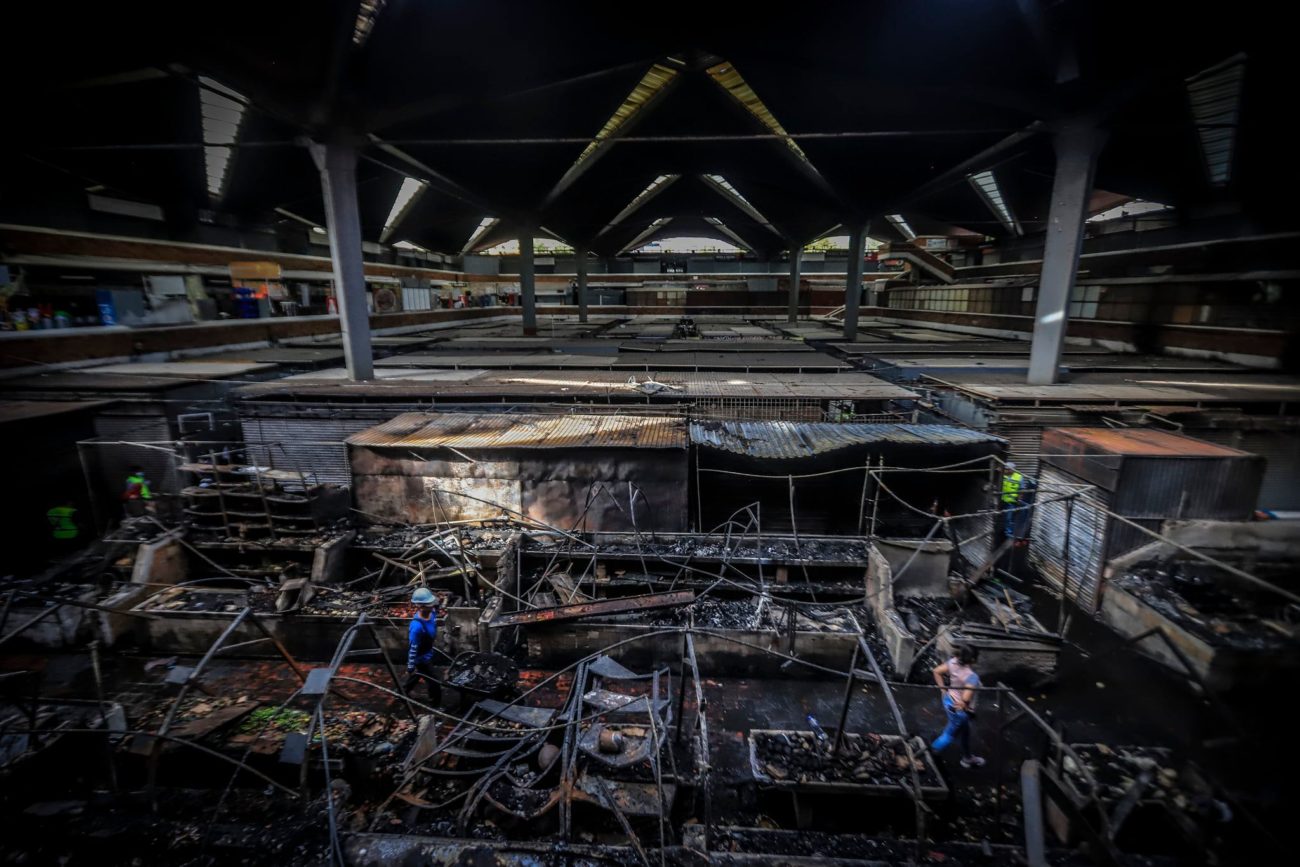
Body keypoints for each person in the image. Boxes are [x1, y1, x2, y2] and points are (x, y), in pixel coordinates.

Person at [930, 645, 985, 768]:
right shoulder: (972, 677)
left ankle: (967, 758)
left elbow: (936, 671)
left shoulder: (953, 662)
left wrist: (943, 689)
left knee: (965, 732)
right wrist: (965, 705)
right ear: (973, 660)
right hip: (959, 710)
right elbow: (966, 698)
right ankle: (929, 752)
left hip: (948, 700)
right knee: (949, 735)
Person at [405, 587, 443, 707]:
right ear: (420, 606)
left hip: (428, 652)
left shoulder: (431, 614)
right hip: (421, 658)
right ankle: (435, 706)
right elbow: (413, 647)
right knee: (435, 683)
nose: (432, 606)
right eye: (428, 604)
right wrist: (410, 666)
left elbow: (437, 606)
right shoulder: (416, 627)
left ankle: (403, 691)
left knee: (419, 674)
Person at [1000, 462, 1023, 538]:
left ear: (1012, 470)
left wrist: (1019, 501)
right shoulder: (1003, 475)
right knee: (1001, 516)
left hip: (1011, 502)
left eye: (1007, 470)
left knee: (1008, 518)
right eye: (1005, 469)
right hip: (1002, 500)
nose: (1005, 471)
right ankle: (1002, 530)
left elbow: (1021, 490)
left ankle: (1008, 532)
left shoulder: (1019, 477)